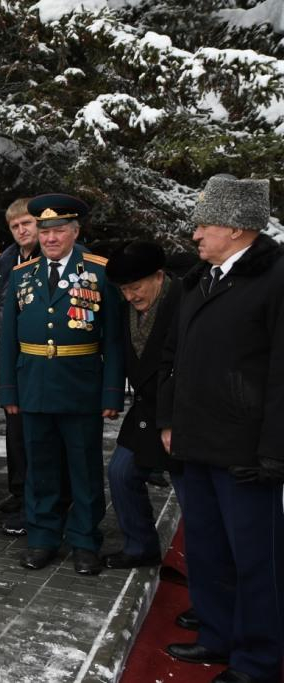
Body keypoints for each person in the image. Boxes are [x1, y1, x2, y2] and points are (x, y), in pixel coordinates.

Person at [159, 175, 284, 683]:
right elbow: (175, 358)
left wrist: (275, 452)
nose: (196, 235)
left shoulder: (276, 280)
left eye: (204, 224)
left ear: (235, 227)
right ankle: (217, 636)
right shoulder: (200, 280)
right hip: (195, 443)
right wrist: (168, 421)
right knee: (208, 548)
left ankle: (256, 660)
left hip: (247, 452)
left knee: (255, 560)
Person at [0, 193, 124, 575]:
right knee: (40, 468)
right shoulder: (22, 275)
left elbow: (115, 340)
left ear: (75, 231)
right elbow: (8, 340)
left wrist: (112, 392)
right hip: (33, 386)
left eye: (59, 231)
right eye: (45, 231)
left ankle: (85, 540)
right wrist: (9, 390)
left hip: (80, 388)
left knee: (84, 468)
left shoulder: (100, 272)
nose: (50, 238)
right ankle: (42, 538)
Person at [102, 241, 183, 569]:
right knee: (121, 471)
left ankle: (209, 575)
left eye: (135, 287)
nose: (130, 296)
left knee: (192, 492)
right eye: (123, 289)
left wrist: (171, 421)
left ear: (159, 276)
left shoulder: (184, 303)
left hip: (180, 409)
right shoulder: (126, 308)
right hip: (147, 408)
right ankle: (141, 546)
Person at [0, 199, 41, 536]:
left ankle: (35, 502)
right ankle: (20, 489)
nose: (22, 230)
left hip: (42, 359)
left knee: (36, 438)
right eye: (15, 226)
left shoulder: (51, 256)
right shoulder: (6, 260)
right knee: (15, 432)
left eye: (27, 223)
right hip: (12, 358)